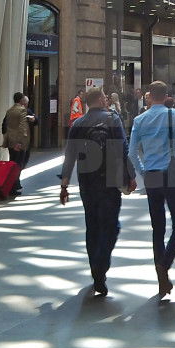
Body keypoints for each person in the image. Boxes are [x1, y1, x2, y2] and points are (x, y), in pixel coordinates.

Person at [60, 87, 136, 295]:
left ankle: (96, 269)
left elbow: (69, 155)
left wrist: (64, 185)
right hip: (109, 181)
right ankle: (100, 266)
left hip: (86, 182)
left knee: (92, 226)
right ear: (102, 99)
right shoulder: (113, 118)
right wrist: (131, 175)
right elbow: (122, 148)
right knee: (111, 226)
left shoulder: (77, 124)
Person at [129, 81, 175, 298]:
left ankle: (161, 277)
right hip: (172, 173)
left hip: (152, 176)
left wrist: (144, 172)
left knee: (158, 228)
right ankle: (164, 265)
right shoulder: (174, 115)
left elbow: (132, 153)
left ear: (149, 97)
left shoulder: (139, 120)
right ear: (166, 96)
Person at [4, 93, 33, 196]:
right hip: (19, 143)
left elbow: (5, 126)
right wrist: (20, 142)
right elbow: (22, 127)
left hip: (10, 142)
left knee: (12, 164)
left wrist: (6, 141)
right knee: (18, 165)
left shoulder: (9, 111)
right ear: (21, 100)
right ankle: (14, 186)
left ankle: (10, 185)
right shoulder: (22, 111)